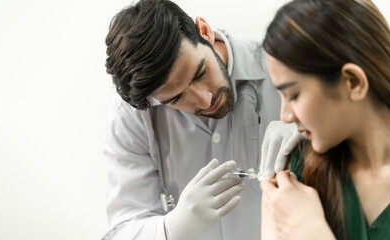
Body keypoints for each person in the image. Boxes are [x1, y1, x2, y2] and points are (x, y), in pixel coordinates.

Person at [102, 0, 299, 239]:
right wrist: (169, 229)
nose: (205, 101)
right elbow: (123, 229)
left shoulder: (284, 64)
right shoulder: (133, 117)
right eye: (176, 98)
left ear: (204, 31)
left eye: (200, 73)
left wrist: (308, 135)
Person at [260, 0, 390, 239]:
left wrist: (312, 233)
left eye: (293, 95)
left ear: (353, 82)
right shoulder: (295, 172)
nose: (284, 115)